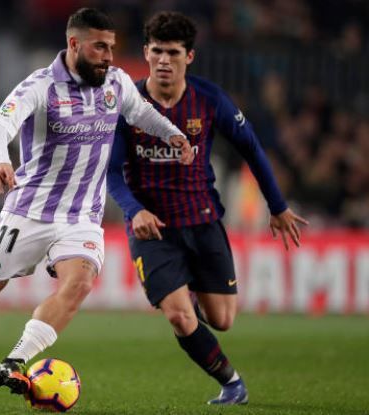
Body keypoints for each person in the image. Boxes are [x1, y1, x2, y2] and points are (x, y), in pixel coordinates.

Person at [0, 7, 193, 407]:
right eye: (100, 47)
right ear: (75, 44)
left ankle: (14, 361)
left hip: (81, 218)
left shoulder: (117, 83)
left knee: (80, 282)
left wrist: (173, 135)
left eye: (112, 47)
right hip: (29, 212)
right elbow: (1, 126)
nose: (108, 55)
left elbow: (142, 113)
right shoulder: (40, 86)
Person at [107, 11, 309, 405]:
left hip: (202, 221)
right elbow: (112, 173)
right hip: (153, 229)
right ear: (146, 52)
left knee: (222, 320)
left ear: (189, 57)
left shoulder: (209, 99)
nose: (164, 60)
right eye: (157, 51)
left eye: (173, 52)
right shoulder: (125, 105)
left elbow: (251, 147)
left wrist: (278, 206)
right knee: (181, 318)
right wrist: (134, 211)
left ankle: (189, 294)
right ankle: (232, 383)